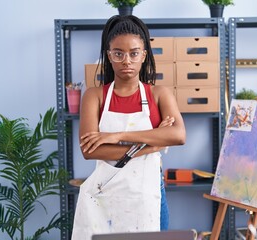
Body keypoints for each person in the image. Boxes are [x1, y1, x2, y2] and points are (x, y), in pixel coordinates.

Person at [71, 15, 186, 239]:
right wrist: (151, 144)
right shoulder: (94, 96)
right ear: (109, 55)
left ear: (143, 55)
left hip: (148, 195)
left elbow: (178, 135)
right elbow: (90, 150)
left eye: (134, 53)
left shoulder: (159, 94)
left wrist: (117, 136)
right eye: (118, 53)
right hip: (105, 199)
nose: (126, 61)